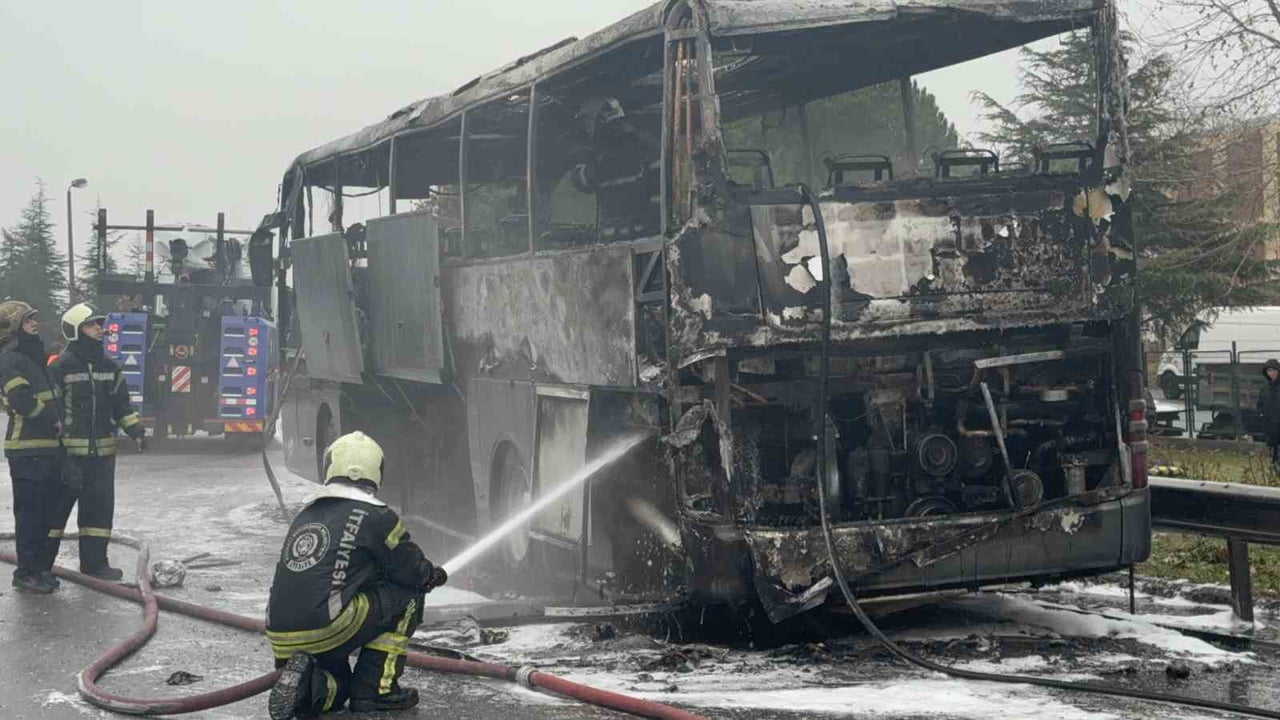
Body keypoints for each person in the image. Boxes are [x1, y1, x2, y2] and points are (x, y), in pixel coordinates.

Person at [266, 431, 447, 719]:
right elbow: (411, 571)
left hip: (280, 632)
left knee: (339, 690)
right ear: (376, 470)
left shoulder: (309, 512)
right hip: (329, 626)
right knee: (409, 596)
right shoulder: (377, 516)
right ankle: (378, 692)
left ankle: (308, 689)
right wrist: (431, 576)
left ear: (330, 467)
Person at [47, 303, 146, 580]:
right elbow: (51, 409)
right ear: (76, 331)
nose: (100, 330)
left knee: (98, 512)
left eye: (99, 325)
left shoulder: (109, 366)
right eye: (92, 325)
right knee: (55, 514)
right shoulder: (61, 366)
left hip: (102, 456)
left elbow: (120, 405)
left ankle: (95, 564)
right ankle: (42, 566)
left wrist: (135, 430)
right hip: (68, 455)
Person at [0, 301, 65, 594]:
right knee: (29, 515)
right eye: (28, 321)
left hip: (48, 447)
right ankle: (25, 572)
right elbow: (22, 400)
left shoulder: (34, 356)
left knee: (46, 513)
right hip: (26, 449)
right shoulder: (10, 359)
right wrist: (52, 419)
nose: (35, 325)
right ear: (14, 326)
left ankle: (39, 569)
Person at [1260, 358, 1280, 470]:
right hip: (1271, 427)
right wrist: (1261, 415)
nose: (1272, 373)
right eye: (1269, 370)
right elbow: (1260, 404)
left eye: (1274, 370)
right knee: (1273, 452)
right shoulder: (1265, 388)